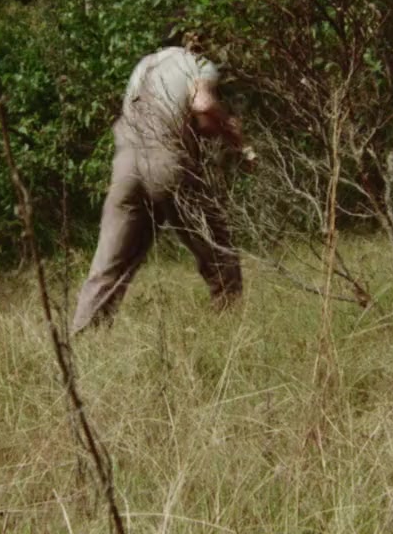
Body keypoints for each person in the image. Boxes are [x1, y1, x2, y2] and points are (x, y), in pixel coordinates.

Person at [71, 45, 255, 334]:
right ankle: (231, 331)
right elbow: (204, 107)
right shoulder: (197, 63)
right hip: (165, 161)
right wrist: (231, 129)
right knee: (218, 249)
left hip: (125, 168)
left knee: (108, 264)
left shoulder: (144, 64)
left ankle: (83, 336)